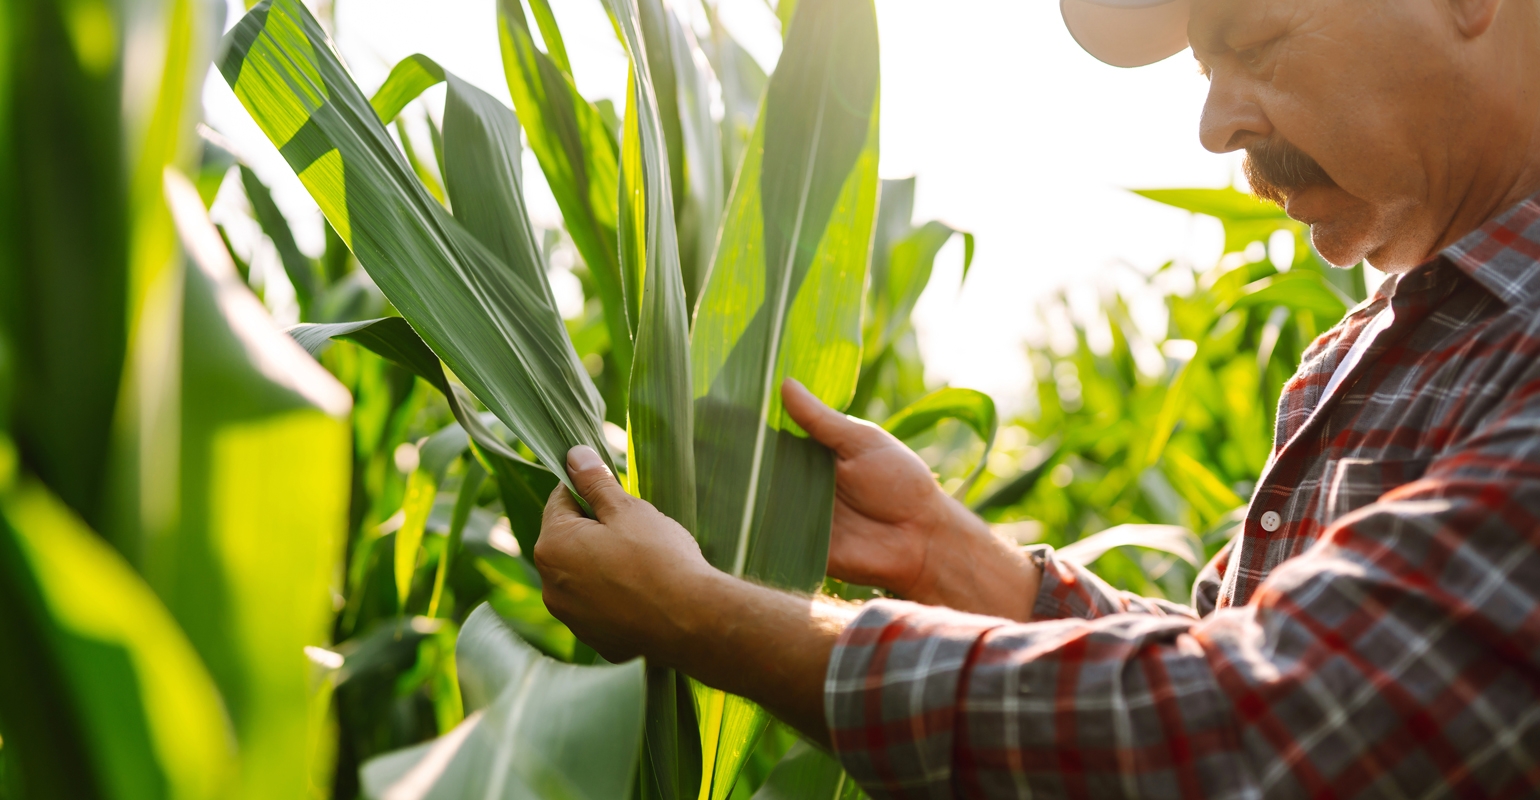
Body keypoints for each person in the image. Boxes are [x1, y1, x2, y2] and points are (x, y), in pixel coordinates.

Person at [536, 0, 1540, 795]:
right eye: (1204, 71)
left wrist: (706, 619)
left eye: (1260, 39)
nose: (1211, 124)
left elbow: (1253, 729)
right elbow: (1220, 652)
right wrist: (945, 552)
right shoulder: (1361, 356)